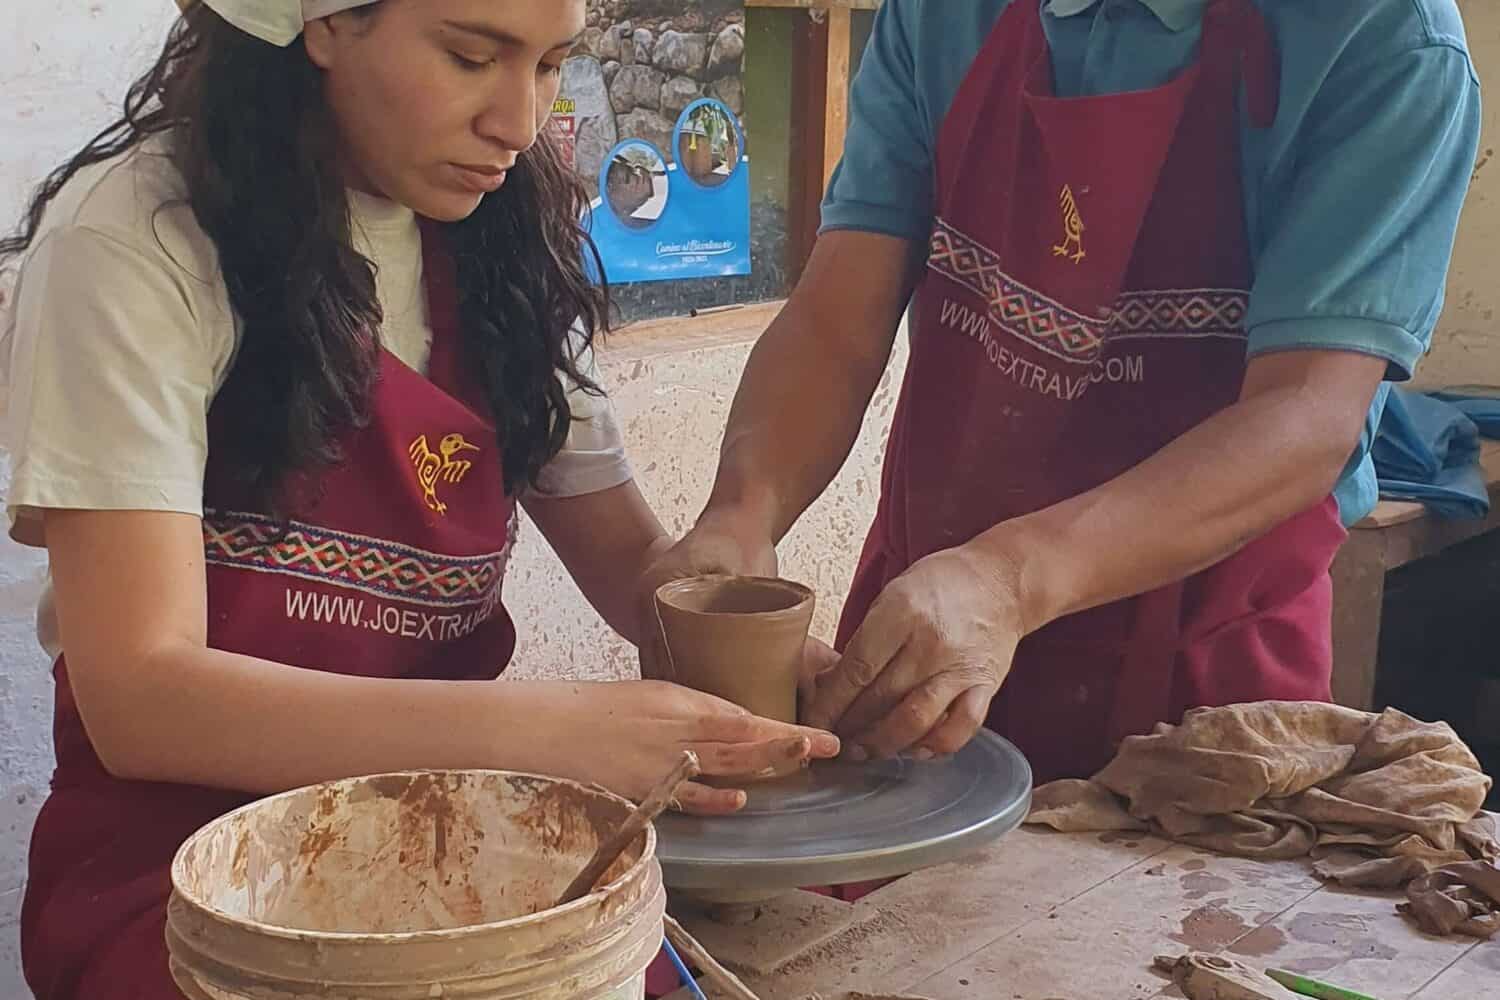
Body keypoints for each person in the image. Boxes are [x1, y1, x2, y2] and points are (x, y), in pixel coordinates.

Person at [0, 2, 839, 996]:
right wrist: (548, 733)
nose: (520, 121)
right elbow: (141, 698)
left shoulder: (505, 246)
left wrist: (749, 650)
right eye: (471, 55)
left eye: (550, 65)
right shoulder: (138, 243)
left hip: (456, 839)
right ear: (325, 23)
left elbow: (632, 570)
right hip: (187, 884)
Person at [643, 0, 1483, 785]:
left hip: (1204, 677)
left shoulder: (1382, 39)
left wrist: (1010, 580)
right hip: (928, 628)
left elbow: (1303, 415)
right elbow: (836, 318)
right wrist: (741, 516)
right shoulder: (946, 14)